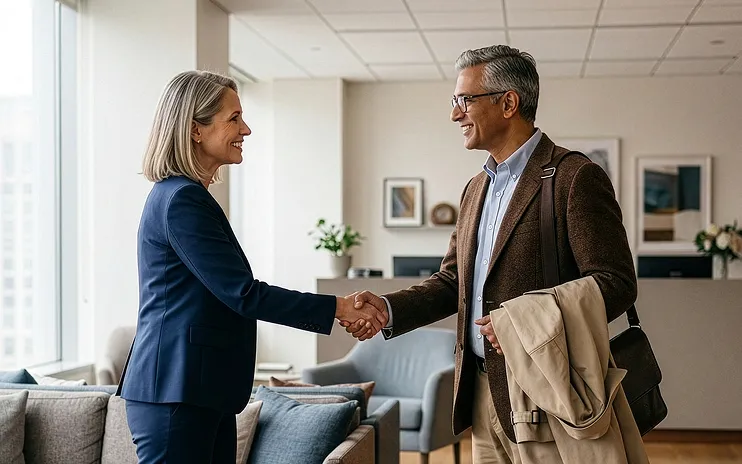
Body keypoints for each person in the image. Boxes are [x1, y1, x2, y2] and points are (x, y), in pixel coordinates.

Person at [346, 45, 638, 462]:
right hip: (482, 396)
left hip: (548, 391)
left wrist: (521, 324)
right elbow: (452, 283)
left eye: (464, 100)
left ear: (508, 103)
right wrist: (387, 309)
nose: (454, 114)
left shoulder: (575, 177)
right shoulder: (474, 190)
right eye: (455, 102)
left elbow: (616, 284)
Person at [118, 70, 386, 463]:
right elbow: (243, 293)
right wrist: (339, 308)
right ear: (195, 130)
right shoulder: (182, 200)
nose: (246, 128)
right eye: (233, 118)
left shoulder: (186, 196)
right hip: (178, 390)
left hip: (200, 389)